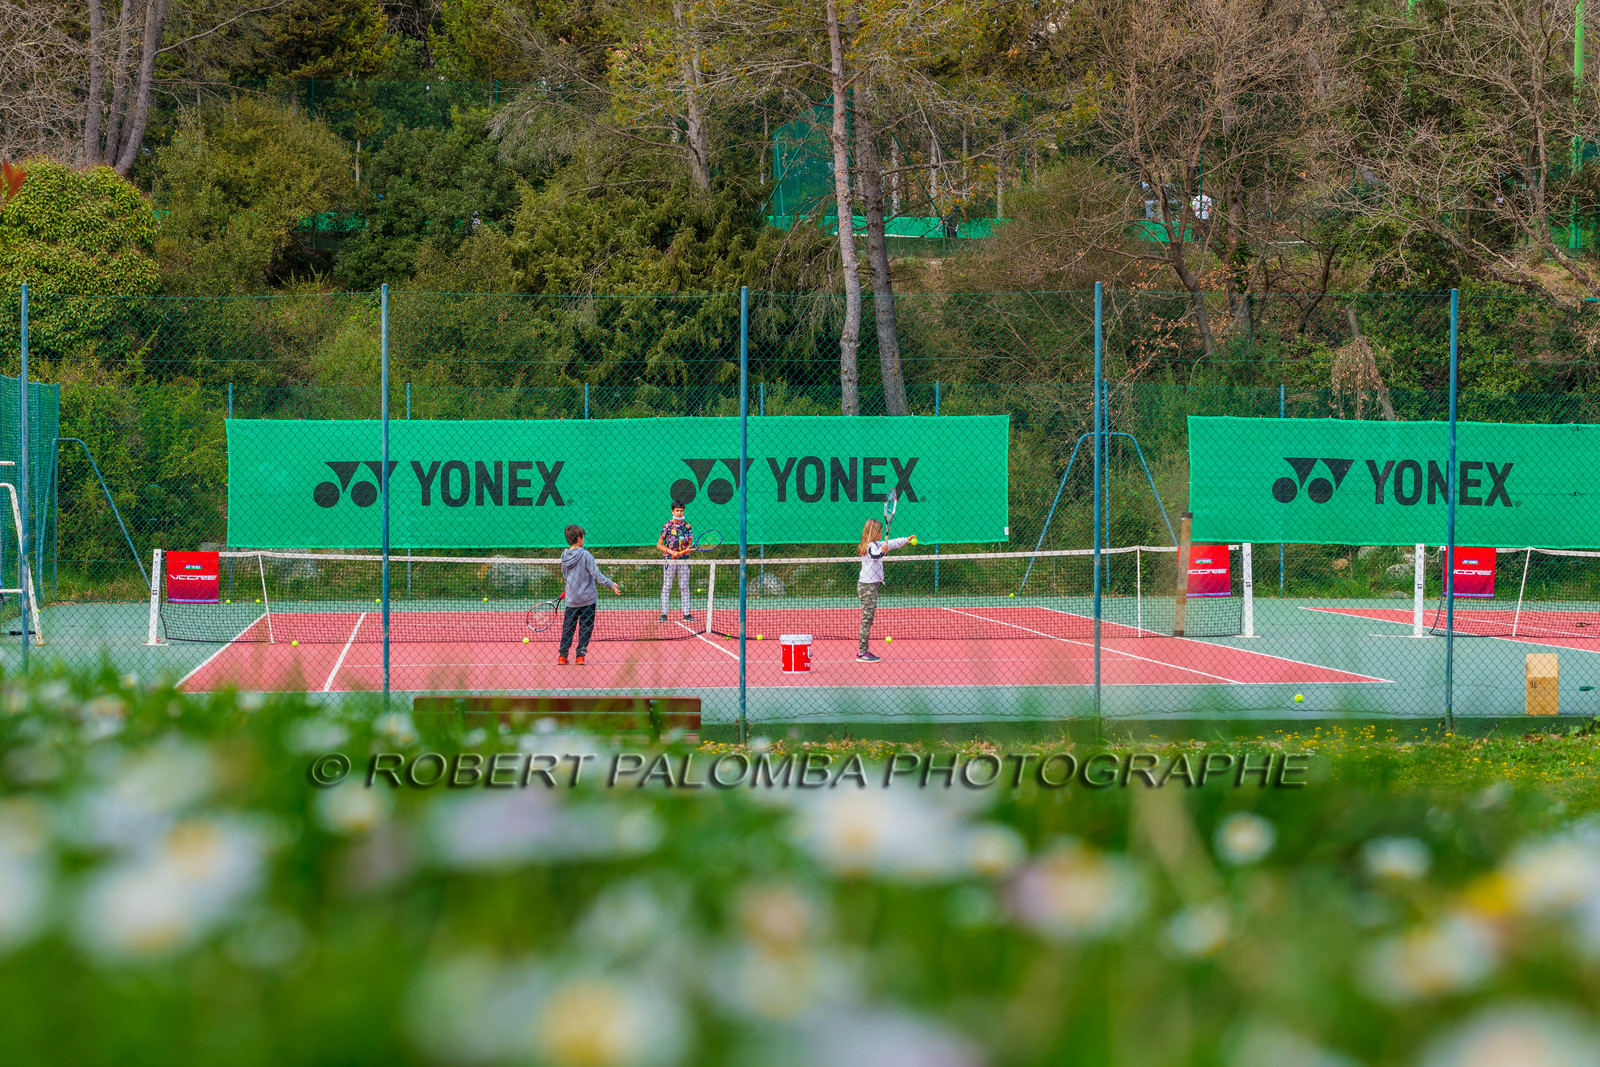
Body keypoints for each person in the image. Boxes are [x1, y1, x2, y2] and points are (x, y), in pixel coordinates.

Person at [558, 523, 620, 665]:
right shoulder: (586, 555)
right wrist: (611, 584)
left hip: (571, 599)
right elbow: (597, 575)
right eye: (583, 537)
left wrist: (570, 589)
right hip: (588, 600)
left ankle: (562, 656)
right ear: (579, 538)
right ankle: (580, 656)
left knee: (568, 627)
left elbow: (566, 576)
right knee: (585, 627)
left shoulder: (564, 556)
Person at [856, 518, 916, 663]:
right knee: (867, 620)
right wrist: (882, 552)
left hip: (871, 586)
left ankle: (863, 651)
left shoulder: (877, 544)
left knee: (868, 620)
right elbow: (875, 556)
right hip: (867, 587)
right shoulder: (870, 546)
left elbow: (892, 543)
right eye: (880, 530)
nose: (882, 533)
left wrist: (905, 540)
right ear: (874, 531)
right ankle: (862, 653)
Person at [656, 499, 695, 623]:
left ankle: (687, 614)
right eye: (677, 510)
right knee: (667, 586)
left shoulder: (687, 526)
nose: (679, 513)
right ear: (672, 511)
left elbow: (689, 545)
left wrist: (687, 550)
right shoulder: (667, 526)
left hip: (684, 560)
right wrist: (672, 552)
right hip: (669, 560)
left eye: (681, 510)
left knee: (684, 586)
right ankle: (664, 614)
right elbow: (659, 545)